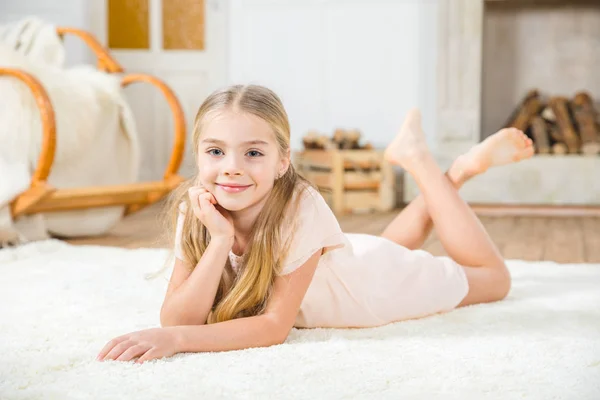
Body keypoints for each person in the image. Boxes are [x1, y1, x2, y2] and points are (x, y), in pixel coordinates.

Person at [97, 84, 534, 364]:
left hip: (372, 290)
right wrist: (220, 241)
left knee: (495, 280)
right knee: (378, 252)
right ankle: (446, 177)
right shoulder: (197, 209)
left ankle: (434, 167)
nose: (230, 168)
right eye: (215, 152)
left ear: (283, 159)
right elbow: (177, 317)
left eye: (253, 153)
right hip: (349, 269)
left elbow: (273, 327)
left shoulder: (299, 207)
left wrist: (175, 341)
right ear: (198, 155)